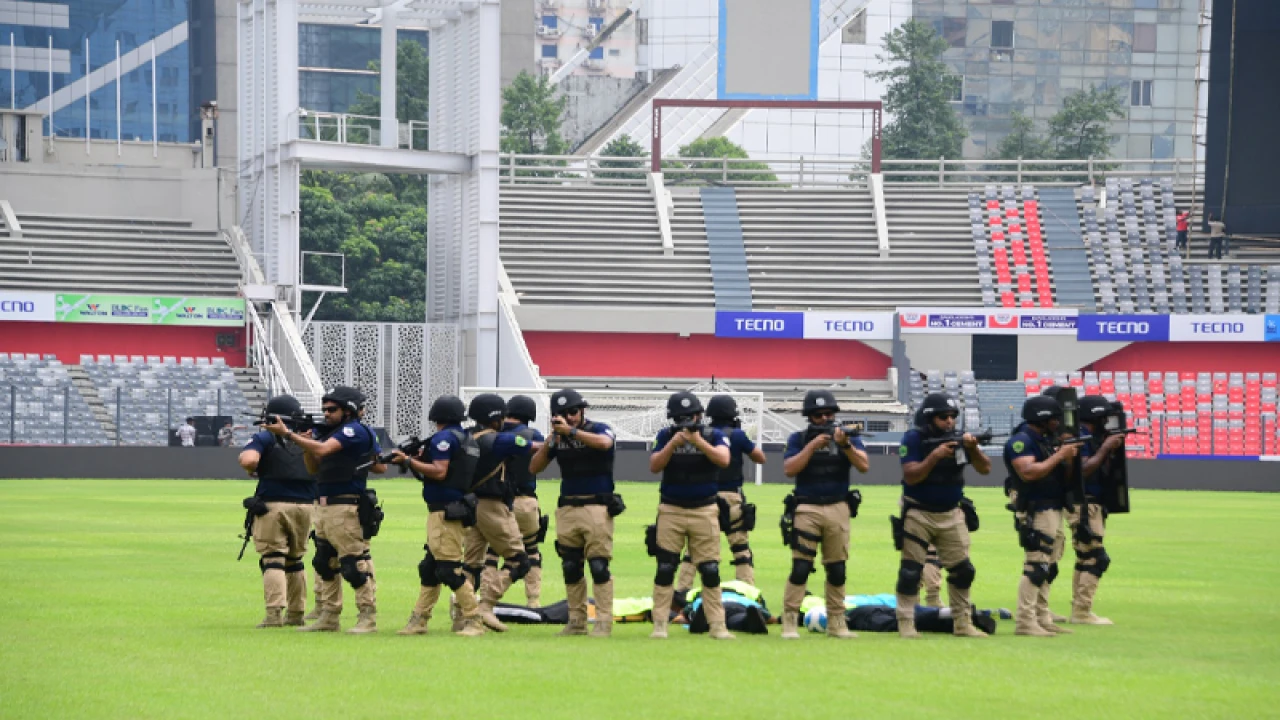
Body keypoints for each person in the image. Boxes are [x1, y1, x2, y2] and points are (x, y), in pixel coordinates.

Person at [265, 386, 383, 634]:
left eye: (332, 409)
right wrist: (308, 442)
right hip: (324, 503)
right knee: (324, 562)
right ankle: (330, 615)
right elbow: (313, 467)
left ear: (348, 410)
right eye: (324, 409)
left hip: (346, 505)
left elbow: (323, 450)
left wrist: (290, 435)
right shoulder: (334, 432)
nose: (326, 414)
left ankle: (367, 616)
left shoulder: (353, 430)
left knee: (354, 563)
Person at [893, 393, 991, 639]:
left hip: (951, 513)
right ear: (929, 418)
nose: (949, 421)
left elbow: (985, 468)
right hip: (918, 511)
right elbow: (911, 475)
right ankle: (906, 622)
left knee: (963, 570)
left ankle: (962, 622)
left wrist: (973, 448)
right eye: (943, 417)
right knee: (910, 572)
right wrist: (935, 456)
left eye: (952, 417)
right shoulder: (914, 438)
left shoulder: (960, 440)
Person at [529, 388, 621, 637]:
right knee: (571, 566)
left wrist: (571, 431)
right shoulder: (557, 439)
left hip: (596, 507)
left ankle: (603, 621)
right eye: (561, 414)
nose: (568, 417)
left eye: (572, 412)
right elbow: (534, 467)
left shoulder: (598, 429)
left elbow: (605, 443)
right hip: (568, 506)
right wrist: (552, 439)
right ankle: (577, 621)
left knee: (599, 565)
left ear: (582, 411)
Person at [779, 389, 870, 639]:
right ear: (810, 416)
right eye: (819, 415)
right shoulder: (798, 438)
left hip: (838, 506)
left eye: (829, 414)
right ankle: (789, 621)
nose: (825, 419)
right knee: (801, 567)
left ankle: (837, 622)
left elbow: (863, 465)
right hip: (806, 507)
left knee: (837, 568)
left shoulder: (846, 437)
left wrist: (845, 445)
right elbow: (789, 469)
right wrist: (811, 446)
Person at [394, 395, 485, 637]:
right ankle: (419, 619)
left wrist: (409, 461)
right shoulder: (466, 439)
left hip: (444, 510)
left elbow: (439, 471)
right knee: (429, 568)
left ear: (436, 416)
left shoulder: (444, 438)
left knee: (448, 569)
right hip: (456, 507)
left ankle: (474, 618)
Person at [647, 391, 734, 640]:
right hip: (671, 509)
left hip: (704, 509)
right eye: (680, 419)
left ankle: (718, 625)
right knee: (665, 568)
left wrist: (698, 443)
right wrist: (673, 445)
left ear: (699, 416)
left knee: (710, 569)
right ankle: (660, 623)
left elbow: (724, 459)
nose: (685, 423)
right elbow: (654, 466)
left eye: (690, 417)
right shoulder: (665, 436)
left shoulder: (713, 435)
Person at [237, 395, 315, 628]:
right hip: (306, 506)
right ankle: (297, 613)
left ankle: (273, 615)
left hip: (273, 504)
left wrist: (254, 467)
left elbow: (249, 460)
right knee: (296, 560)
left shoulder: (265, 437)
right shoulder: (308, 439)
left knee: (273, 559)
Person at [675, 395, 766, 593]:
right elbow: (760, 457)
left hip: (704, 497)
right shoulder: (737, 435)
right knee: (740, 548)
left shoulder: (703, 434)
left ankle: (682, 591)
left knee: (694, 548)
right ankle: (746, 590)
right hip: (731, 496)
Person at [1003, 395, 1078, 637]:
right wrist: (1059, 456)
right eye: (1054, 418)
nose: (1058, 423)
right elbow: (1028, 472)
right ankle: (1025, 620)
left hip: (1052, 506)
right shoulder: (1021, 441)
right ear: (1042, 419)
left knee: (1048, 565)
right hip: (1037, 508)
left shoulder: (1045, 440)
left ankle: (1042, 617)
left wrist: (1066, 458)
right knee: (1036, 565)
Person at [459, 394, 534, 632]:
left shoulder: (467, 437)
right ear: (495, 417)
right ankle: (486, 605)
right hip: (493, 505)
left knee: (471, 564)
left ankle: (464, 617)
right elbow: (528, 446)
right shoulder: (497, 440)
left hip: (471, 505)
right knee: (519, 561)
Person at [1071, 396, 1127, 625]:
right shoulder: (1082, 437)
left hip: (1089, 503)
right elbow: (1084, 470)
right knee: (1095, 558)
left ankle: (1079, 608)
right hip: (1085, 504)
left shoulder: (1089, 436)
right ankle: (1082, 611)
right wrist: (1106, 447)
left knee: (1085, 557)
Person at [499, 395, 548, 607]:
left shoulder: (495, 433)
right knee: (531, 551)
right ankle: (533, 602)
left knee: (491, 555)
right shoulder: (533, 435)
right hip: (526, 502)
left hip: (497, 502)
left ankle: (480, 600)